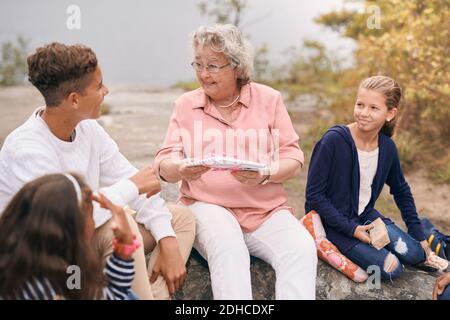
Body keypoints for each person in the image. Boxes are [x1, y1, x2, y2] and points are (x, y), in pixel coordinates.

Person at [0, 42, 196, 299]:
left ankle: (153, 295)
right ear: (74, 99)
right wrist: (132, 186)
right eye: (99, 85)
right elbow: (66, 219)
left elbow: (133, 184)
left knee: (180, 219)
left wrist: (167, 241)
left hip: (85, 235)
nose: (106, 90)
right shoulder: (26, 148)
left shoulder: (88, 129)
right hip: (46, 256)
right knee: (124, 223)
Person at [154, 24, 317, 300]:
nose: (203, 74)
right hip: (207, 206)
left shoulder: (269, 99)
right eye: (198, 64)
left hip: (265, 210)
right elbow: (163, 163)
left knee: (301, 248)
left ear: (237, 66)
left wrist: (265, 173)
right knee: (229, 249)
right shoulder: (185, 105)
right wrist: (181, 168)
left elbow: (293, 156)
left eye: (213, 66)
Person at [305, 75, 431, 280]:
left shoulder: (387, 147)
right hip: (333, 223)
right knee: (391, 269)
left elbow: (401, 190)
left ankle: (428, 231)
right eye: (360, 105)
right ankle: (321, 243)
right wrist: (352, 229)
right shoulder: (333, 140)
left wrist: (418, 233)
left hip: (366, 217)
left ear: (390, 113)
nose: (363, 113)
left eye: (373, 108)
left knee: (416, 254)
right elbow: (314, 196)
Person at [0, 173, 140, 299]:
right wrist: (125, 243)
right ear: (73, 227)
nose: (94, 223)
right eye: (91, 215)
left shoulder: (21, 261)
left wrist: (123, 248)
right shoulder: (52, 287)